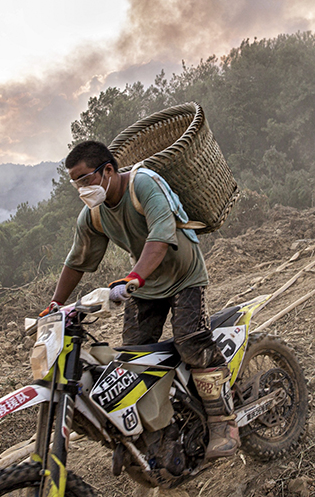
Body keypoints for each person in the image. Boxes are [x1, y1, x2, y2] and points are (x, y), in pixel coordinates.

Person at [41, 140, 239, 460]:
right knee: (134, 358)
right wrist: (55, 305)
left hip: (183, 274)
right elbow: (76, 260)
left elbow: (161, 236)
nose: (80, 188)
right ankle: (163, 429)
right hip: (145, 284)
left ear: (108, 170)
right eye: (74, 182)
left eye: (84, 179)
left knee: (191, 341)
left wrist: (132, 278)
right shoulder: (94, 215)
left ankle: (222, 421)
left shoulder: (143, 185)